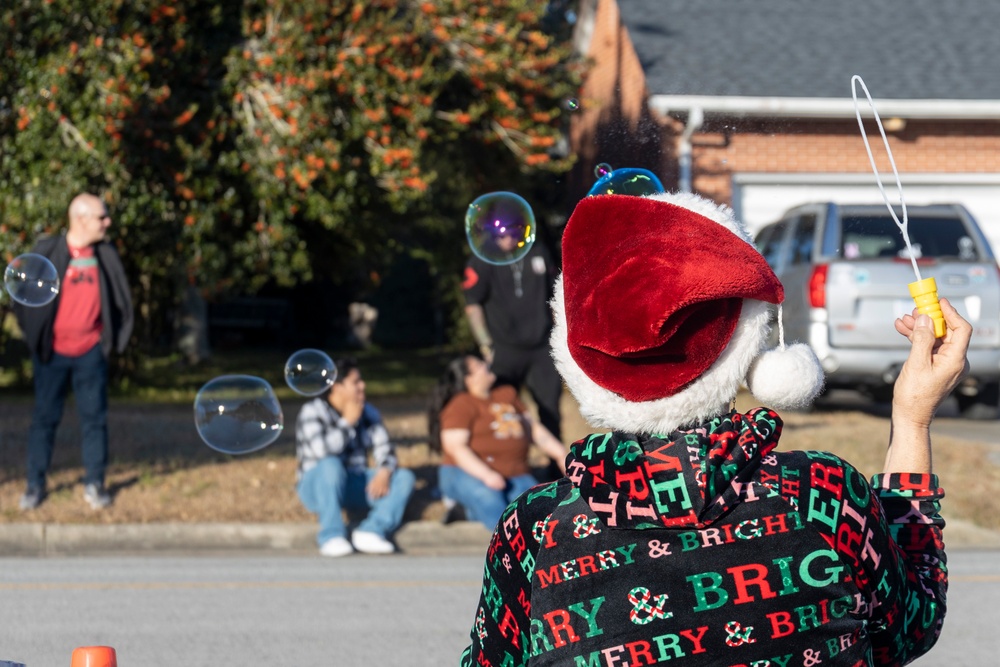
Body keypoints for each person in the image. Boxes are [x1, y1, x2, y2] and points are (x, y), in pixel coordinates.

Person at [459, 192, 965, 666]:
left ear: (577, 355)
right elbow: (910, 627)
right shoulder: (822, 497)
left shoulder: (534, 528)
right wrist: (912, 417)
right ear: (750, 346)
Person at [13, 193, 133, 511]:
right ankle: (34, 486)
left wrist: (110, 342)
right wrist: (37, 338)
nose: (107, 222)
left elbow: (121, 300)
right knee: (44, 420)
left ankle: (95, 484)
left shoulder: (106, 255)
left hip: (91, 353)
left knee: (94, 420)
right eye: (101, 217)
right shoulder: (47, 252)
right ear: (80, 219)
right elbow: (22, 300)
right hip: (52, 355)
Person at [429, 354, 568, 530]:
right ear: (469, 378)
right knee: (490, 499)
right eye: (479, 365)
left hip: (515, 473)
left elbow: (533, 429)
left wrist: (561, 454)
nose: (487, 365)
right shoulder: (461, 404)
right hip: (464, 472)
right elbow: (456, 448)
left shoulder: (506, 394)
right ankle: (510, 549)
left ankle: (467, 513)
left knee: (539, 507)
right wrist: (486, 474)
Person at [294, 357, 415, 557]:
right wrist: (347, 422)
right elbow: (321, 452)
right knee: (331, 465)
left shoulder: (367, 411)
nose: (363, 385)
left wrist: (384, 471)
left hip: (353, 482)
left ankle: (372, 530)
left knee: (404, 477)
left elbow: (386, 450)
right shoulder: (312, 411)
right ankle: (331, 535)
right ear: (336, 387)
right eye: (356, 382)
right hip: (317, 487)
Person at [464, 234, 564, 447]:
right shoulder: (483, 258)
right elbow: (473, 304)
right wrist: (485, 344)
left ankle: (555, 469)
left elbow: (554, 295)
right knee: (501, 409)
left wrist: (560, 334)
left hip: (541, 345)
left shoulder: (538, 250)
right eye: (501, 232)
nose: (507, 236)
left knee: (550, 408)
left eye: (512, 229)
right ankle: (505, 465)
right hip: (503, 348)